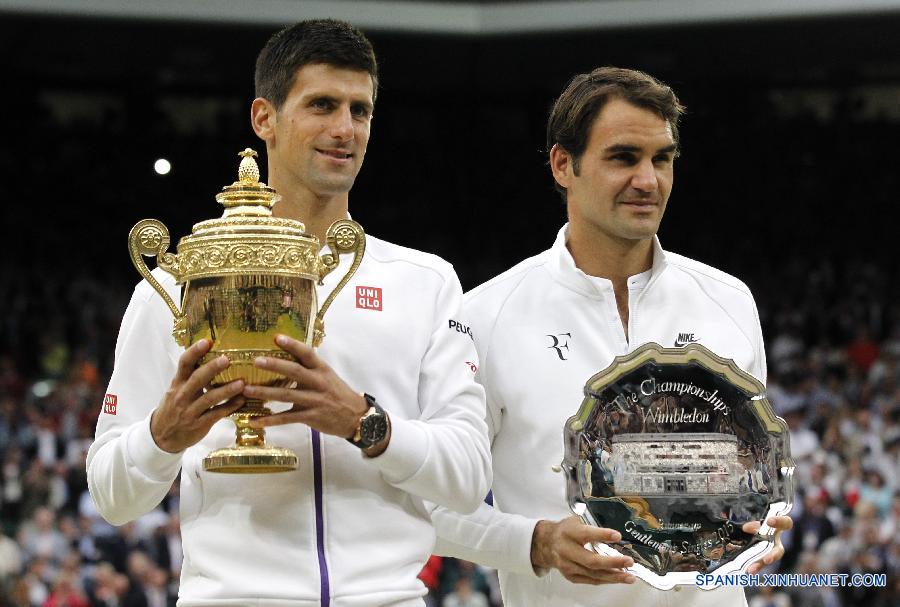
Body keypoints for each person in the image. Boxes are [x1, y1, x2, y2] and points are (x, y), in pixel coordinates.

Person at [87, 19, 491, 606]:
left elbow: (469, 475)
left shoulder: (425, 283)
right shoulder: (184, 281)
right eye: (322, 105)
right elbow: (109, 494)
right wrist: (162, 435)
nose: (344, 129)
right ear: (264, 119)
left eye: (360, 110)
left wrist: (364, 423)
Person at [431, 67, 792, 606]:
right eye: (624, 157)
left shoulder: (730, 301)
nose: (648, 180)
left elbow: (755, 472)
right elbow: (429, 505)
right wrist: (537, 543)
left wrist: (765, 520)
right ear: (562, 165)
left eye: (662, 159)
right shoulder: (485, 315)